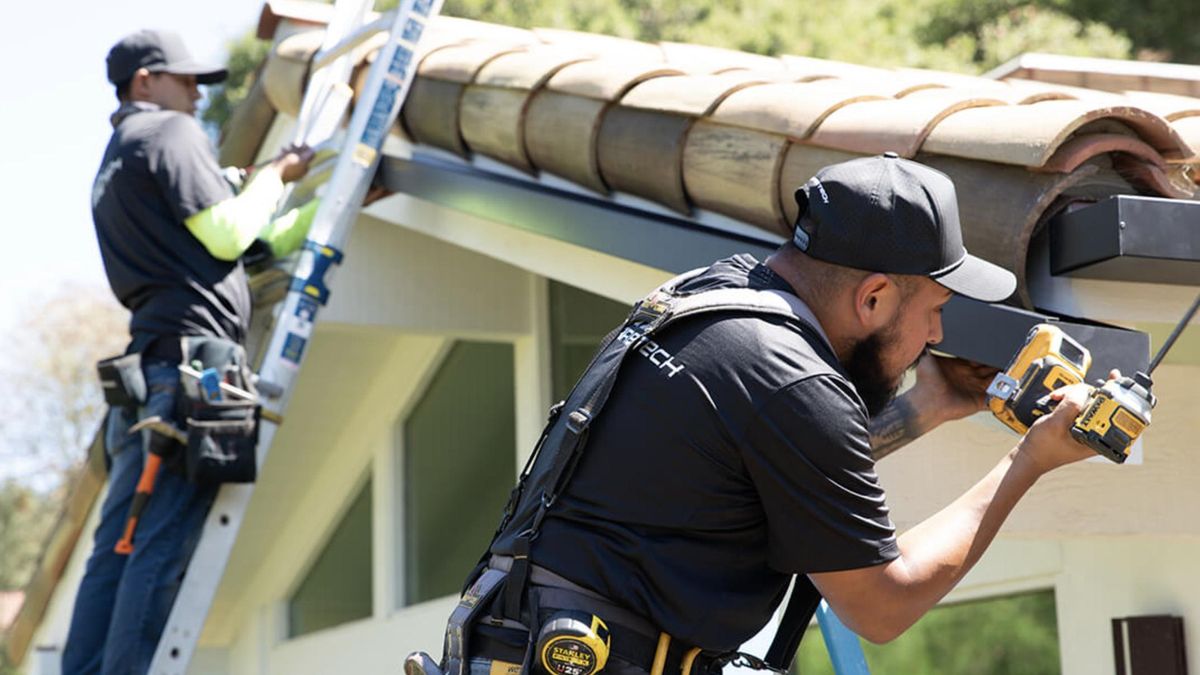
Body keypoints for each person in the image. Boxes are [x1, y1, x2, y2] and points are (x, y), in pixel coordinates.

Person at [457, 153, 1103, 674]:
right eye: (934, 306)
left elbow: (772, 468)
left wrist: (928, 404)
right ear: (874, 297)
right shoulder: (793, 380)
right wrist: (1029, 459)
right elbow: (883, 603)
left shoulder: (717, 296)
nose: (937, 334)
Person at [64, 29, 317, 674]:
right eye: (185, 81)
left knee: (114, 550)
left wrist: (312, 207)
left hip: (148, 373)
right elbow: (231, 232)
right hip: (193, 370)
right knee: (158, 546)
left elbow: (256, 241)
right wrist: (279, 175)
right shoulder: (169, 135)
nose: (197, 96)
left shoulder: (112, 162)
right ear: (144, 81)